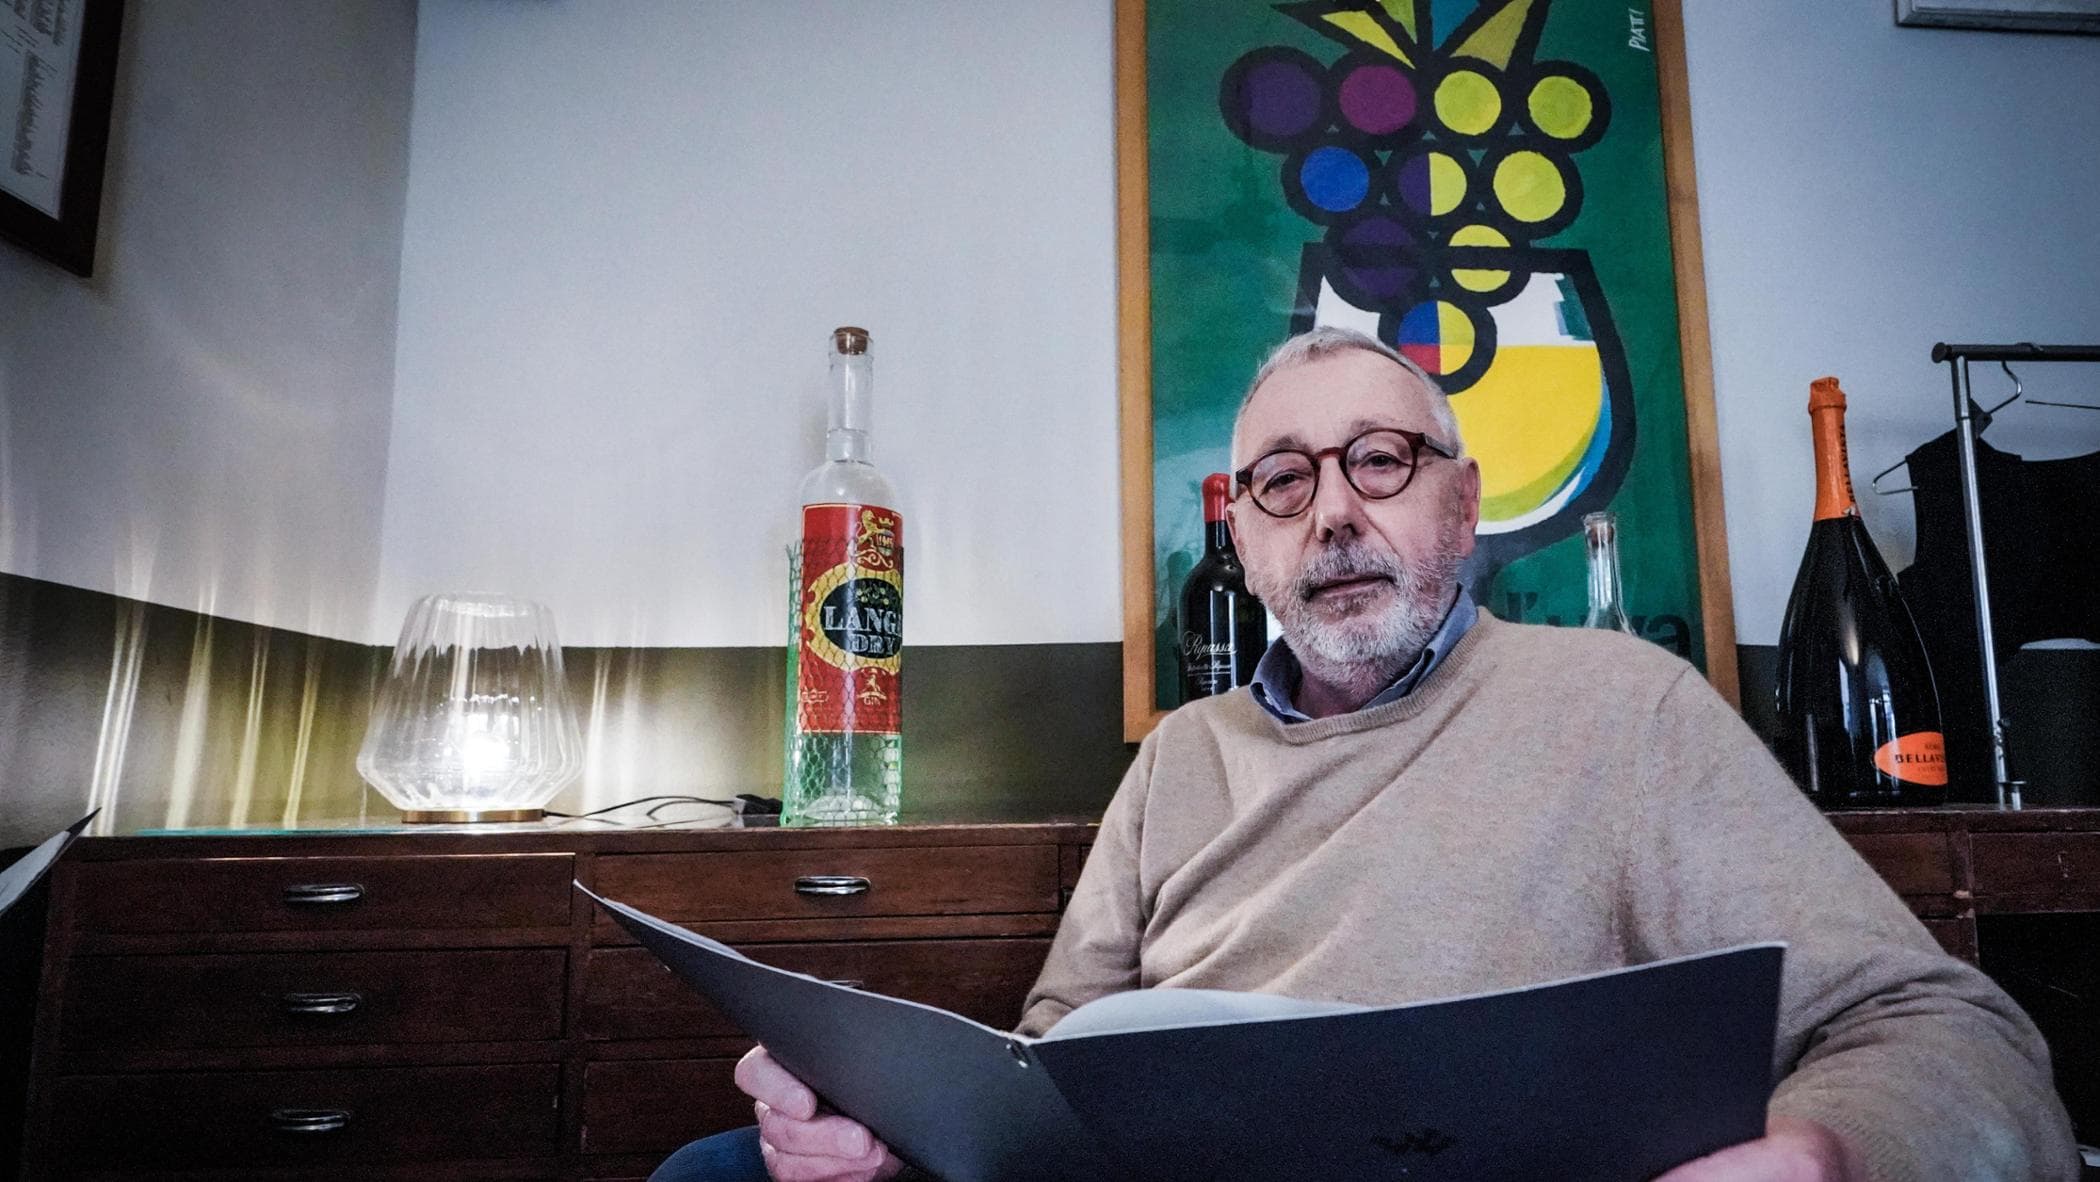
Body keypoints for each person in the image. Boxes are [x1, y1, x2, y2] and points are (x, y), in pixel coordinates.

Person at [652, 328, 2079, 1182]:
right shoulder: (1179, 758)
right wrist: (893, 1130)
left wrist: (1826, 1152)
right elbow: (1049, 1070)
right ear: (1247, 538)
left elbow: (1958, 1037)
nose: (1332, 512)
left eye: (1380, 461)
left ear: (1461, 505)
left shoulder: (1626, 709)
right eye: (1283, 481)